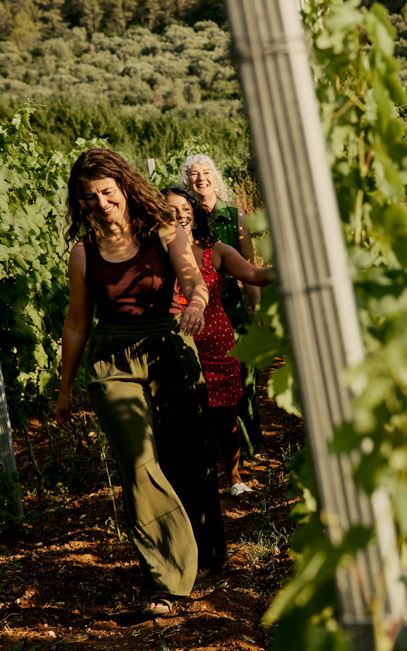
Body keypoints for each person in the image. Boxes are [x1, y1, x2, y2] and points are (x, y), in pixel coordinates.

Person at [55, 149, 226, 618]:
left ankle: (204, 553)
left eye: (107, 192)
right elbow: (76, 324)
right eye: (90, 197)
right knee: (138, 462)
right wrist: (65, 390)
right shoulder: (83, 253)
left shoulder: (163, 231)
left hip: (168, 346)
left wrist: (195, 303)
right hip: (112, 361)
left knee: (186, 456)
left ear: (125, 188)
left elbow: (193, 278)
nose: (101, 203)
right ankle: (167, 580)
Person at [163, 187, 272, 497]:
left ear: (195, 212)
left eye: (185, 208)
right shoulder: (156, 255)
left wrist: (291, 269)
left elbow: (255, 274)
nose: (180, 215)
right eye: (171, 210)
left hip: (216, 342)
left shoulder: (217, 250)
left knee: (224, 415)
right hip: (174, 345)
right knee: (184, 416)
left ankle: (234, 477)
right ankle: (196, 480)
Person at [181, 154, 263, 455]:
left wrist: (257, 307)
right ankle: (224, 452)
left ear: (215, 178)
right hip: (199, 318)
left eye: (205, 172)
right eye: (193, 173)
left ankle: (253, 443)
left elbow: (248, 267)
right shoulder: (182, 219)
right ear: (186, 182)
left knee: (245, 380)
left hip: (231, 310)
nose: (200, 177)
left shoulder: (235, 216)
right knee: (210, 388)